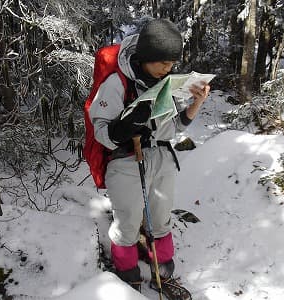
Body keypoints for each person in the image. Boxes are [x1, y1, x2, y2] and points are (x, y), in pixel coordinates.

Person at [89, 18, 210, 298]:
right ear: (146, 57)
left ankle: (163, 271)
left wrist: (196, 104)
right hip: (126, 161)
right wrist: (125, 126)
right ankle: (127, 274)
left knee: (161, 218)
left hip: (161, 159)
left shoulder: (166, 82)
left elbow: (174, 127)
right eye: (163, 63)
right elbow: (101, 132)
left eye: (171, 63)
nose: (168, 68)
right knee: (128, 222)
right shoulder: (117, 83)